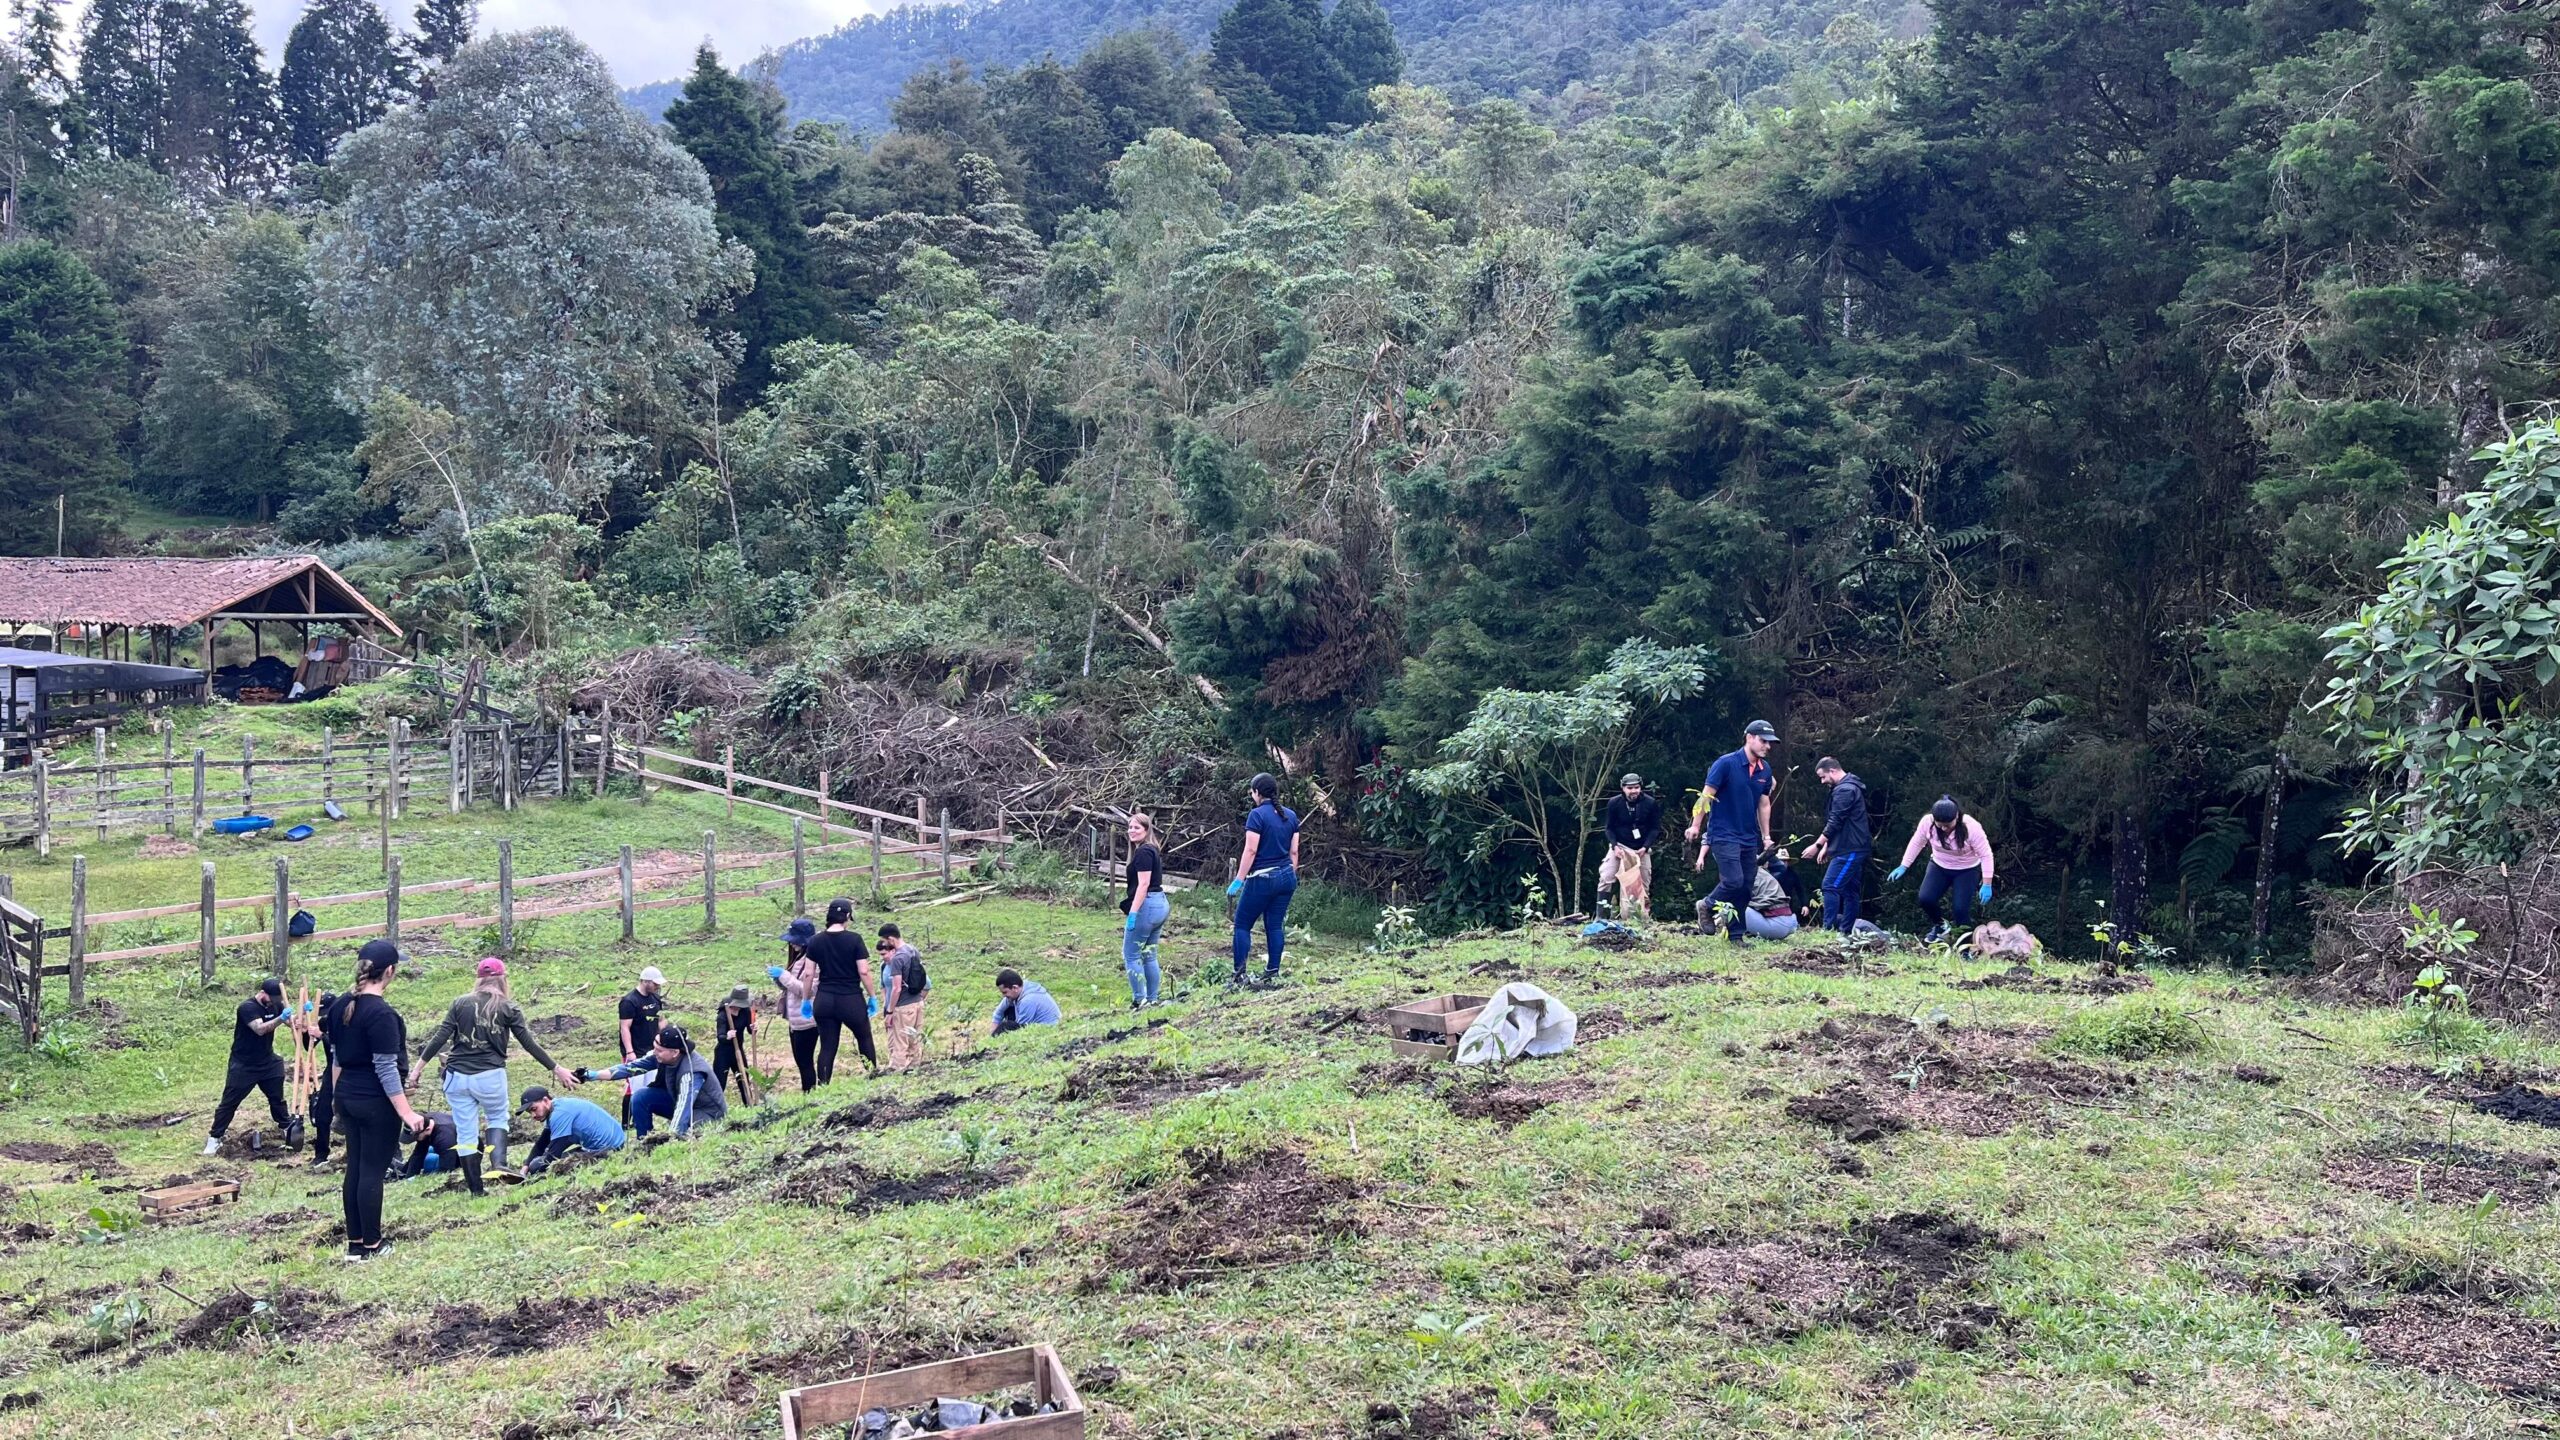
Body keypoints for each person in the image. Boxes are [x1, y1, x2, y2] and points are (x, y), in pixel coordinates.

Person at [408, 957, 579, 1193]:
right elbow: (529, 1043)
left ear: (479, 979)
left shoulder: (460, 1003)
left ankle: (476, 1190)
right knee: (497, 1118)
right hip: (489, 1076)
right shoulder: (508, 1007)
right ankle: (499, 1164)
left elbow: (440, 1037)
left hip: (457, 1077)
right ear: (503, 979)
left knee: (466, 1132)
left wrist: (417, 1070)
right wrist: (556, 1068)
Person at [330, 940, 432, 1261]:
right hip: (375, 1104)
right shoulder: (383, 1015)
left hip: (347, 1097)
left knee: (356, 1170)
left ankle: (355, 1246)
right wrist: (407, 1113)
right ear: (389, 971)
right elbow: (386, 1068)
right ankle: (373, 1246)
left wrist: (336, 1101)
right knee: (372, 1172)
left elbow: (336, 1060)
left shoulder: (340, 1007)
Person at [1685, 720, 1780, 943]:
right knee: (1733, 881)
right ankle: (1706, 905)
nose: (1768, 746)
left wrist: (1766, 837)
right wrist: (1696, 824)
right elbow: (1706, 795)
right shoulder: (1725, 764)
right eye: (1763, 741)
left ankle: (1736, 935)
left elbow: (1764, 803)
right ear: (1749, 738)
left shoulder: (1765, 770)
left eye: (1770, 743)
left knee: (1746, 887)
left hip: (1748, 836)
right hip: (1723, 833)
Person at [580, 1024, 726, 1138]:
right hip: (678, 1101)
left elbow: (684, 1107)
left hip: (706, 1113)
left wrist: (672, 1136)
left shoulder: (692, 1072)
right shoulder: (662, 1056)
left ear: (675, 1052)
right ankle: (644, 1141)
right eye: (654, 1048)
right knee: (641, 1096)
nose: (654, 1052)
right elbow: (631, 1068)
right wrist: (592, 1075)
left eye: (659, 1050)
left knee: (684, 1127)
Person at [1890, 796, 1998, 944]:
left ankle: (1965, 948)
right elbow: (1917, 842)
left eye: (1948, 825)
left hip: (1966, 870)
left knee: (1960, 909)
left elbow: (1986, 855)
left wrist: (1987, 883)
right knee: (1926, 898)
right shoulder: (1927, 823)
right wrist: (1904, 865)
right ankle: (1940, 926)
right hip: (1939, 865)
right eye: (1940, 825)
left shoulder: (1971, 827)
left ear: (1957, 817)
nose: (1944, 828)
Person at [204, 977, 294, 1156]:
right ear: (263, 994)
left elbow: (292, 1023)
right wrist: (280, 1018)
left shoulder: (276, 1005)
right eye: (272, 999)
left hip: (268, 1061)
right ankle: (215, 1138)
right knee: (229, 1102)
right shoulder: (247, 1008)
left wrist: (300, 1016)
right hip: (244, 1064)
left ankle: (287, 1129)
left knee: (277, 1098)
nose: (274, 1003)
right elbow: (260, 1029)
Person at [1227, 773, 1300, 987]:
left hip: (1262, 877)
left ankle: (1240, 974)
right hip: (1287, 875)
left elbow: (1251, 850)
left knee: (1242, 924)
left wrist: (1239, 880)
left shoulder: (1256, 816)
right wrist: (1289, 874)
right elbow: (1294, 852)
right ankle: (1272, 971)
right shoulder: (1291, 816)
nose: (1252, 795)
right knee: (1274, 925)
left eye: (1252, 791)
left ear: (1257, 792)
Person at [806, 898, 879, 1083]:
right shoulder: (854, 939)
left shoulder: (815, 941)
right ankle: (873, 1076)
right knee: (864, 1037)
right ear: (847, 916)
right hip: (850, 998)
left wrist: (806, 1000)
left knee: (827, 1046)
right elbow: (863, 970)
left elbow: (808, 974)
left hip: (824, 1000)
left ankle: (823, 1086)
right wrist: (872, 996)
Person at [1805, 757, 1872, 933]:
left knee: (1830, 886)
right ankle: (1845, 932)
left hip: (1851, 848)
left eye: (1823, 777)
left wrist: (1818, 845)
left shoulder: (1845, 790)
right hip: (1849, 845)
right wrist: (1828, 847)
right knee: (1850, 891)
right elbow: (1842, 822)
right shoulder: (1848, 787)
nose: (1822, 781)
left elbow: (1835, 821)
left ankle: (1828, 931)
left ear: (1833, 771)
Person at [519, 1086, 625, 1176]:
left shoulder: (559, 1114)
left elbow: (552, 1156)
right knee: (536, 1162)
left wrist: (531, 1170)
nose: (533, 1115)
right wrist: (526, 1166)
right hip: (612, 1143)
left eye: (534, 1109)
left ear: (546, 1101)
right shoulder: (557, 1108)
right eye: (529, 1112)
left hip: (609, 1149)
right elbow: (542, 1144)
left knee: (537, 1165)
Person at [1121, 813, 1169, 1010]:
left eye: (1137, 828)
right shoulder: (1152, 850)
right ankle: (1152, 998)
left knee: (1131, 955)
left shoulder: (1143, 853)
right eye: (1130, 827)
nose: (1132, 830)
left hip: (1147, 905)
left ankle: (1139, 1000)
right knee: (1149, 954)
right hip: (1160, 903)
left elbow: (1143, 885)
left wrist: (1133, 913)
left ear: (1147, 830)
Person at [1600, 774, 1662, 922]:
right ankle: (1600, 916)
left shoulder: (1650, 803)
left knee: (1644, 881)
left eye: (1636, 787)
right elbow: (1608, 828)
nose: (1633, 791)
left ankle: (1641, 917)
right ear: (1623, 788)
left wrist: (1646, 847)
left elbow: (1655, 828)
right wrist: (1614, 846)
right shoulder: (1614, 803)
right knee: (1606, 876)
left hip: (1641, 848)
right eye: (1630, 788)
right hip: (1620, 846)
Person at [770, 917, 821, 1093]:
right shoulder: (798, 958)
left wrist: (784, 975)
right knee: (801, 1062)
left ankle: (810, 1094)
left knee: (805, 1062)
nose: (792, 944)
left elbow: (809, 989)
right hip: (795, 1019)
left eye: (795, 941)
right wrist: (778, 979)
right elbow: (790, 988)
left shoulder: (814, 960)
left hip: (808, 1019)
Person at [877, 923, 930, 1072]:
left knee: (900, 1042)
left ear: (891, 939)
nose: (885, 944)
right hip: (917, 1003)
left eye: (885, 941)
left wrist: (889, 1011)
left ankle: (896, 1072)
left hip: (903, 1006)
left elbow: (896, 988)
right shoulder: (913, 950)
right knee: (915, 1040)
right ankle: (914, 1069)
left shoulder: (897, 959)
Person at [304, 989, 339, 1165]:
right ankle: (321, 1153)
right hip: (330, 1072)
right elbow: (307, 1045)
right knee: (322, 1112)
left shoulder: (347, 1020)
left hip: (349, 1072)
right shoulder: (325, 1021)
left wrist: (322, 1036)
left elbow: (339, 1047)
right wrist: (305, 1032)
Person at [713, 985, 758, 1103]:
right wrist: (727, 1036)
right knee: (719, 1082)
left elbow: (749, 1029)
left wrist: (753, 1028)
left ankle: (749, 1105)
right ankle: (716, 1107)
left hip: (738, 1051)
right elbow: (720, 1037)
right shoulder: (723, 1015)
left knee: (744, 1080)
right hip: (723, 1053)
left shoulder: (745, 1011)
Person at [990, 969, 1060, 1034]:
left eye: (1005, 992)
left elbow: (1020, 1031)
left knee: (1006, 1026)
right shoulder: (1018, 991)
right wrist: (991, 1035)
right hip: (1032, 1025)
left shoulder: (1027, 1000)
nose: (1003, 996)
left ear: (1015, 988)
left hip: (1048, 1030)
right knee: (1008, 1013)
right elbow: (998, 1013)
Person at [395, 1112, 461, 1180]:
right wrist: (408, 1176)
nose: (415, 1140)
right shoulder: (425, 1121)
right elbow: (418, 1154)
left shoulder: (445, 1139)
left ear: (427, 1129)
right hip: (445, 1145)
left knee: (429, 1162)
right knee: (427, 1150)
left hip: (459, 1153)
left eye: (416, 1137)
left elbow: (446, 1170)